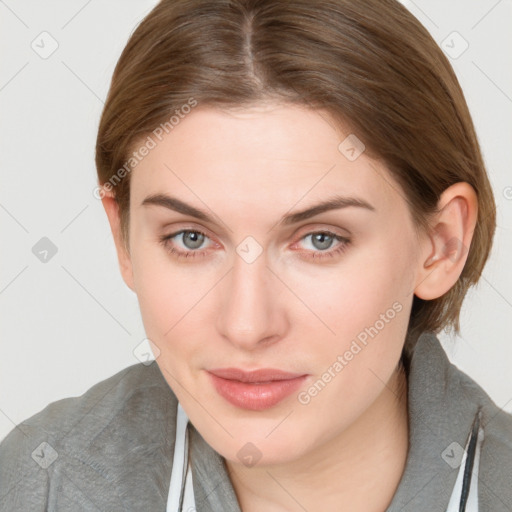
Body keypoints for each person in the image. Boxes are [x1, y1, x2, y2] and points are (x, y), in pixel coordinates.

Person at [1, 0, 511, 510]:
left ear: (442, 243)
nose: (247, 326)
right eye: (191, 238)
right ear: (123, 236)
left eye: (320, 240)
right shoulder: (36, 486)